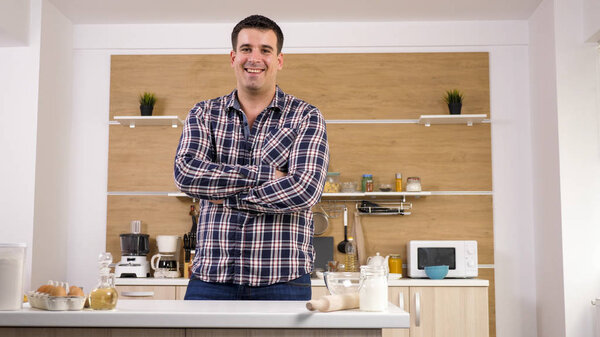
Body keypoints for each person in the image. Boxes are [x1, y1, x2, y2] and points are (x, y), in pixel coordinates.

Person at [173, 15, 329, 301]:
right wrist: (268, 175)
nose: (254, 57)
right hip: (211, 278)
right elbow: (187, 173)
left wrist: (226, 196)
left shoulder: (306, 116)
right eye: (246, 49)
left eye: (265, 50)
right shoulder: (204, 113)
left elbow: (304, 190)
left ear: (279, 60)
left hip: (284, 280)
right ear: (233, 57)